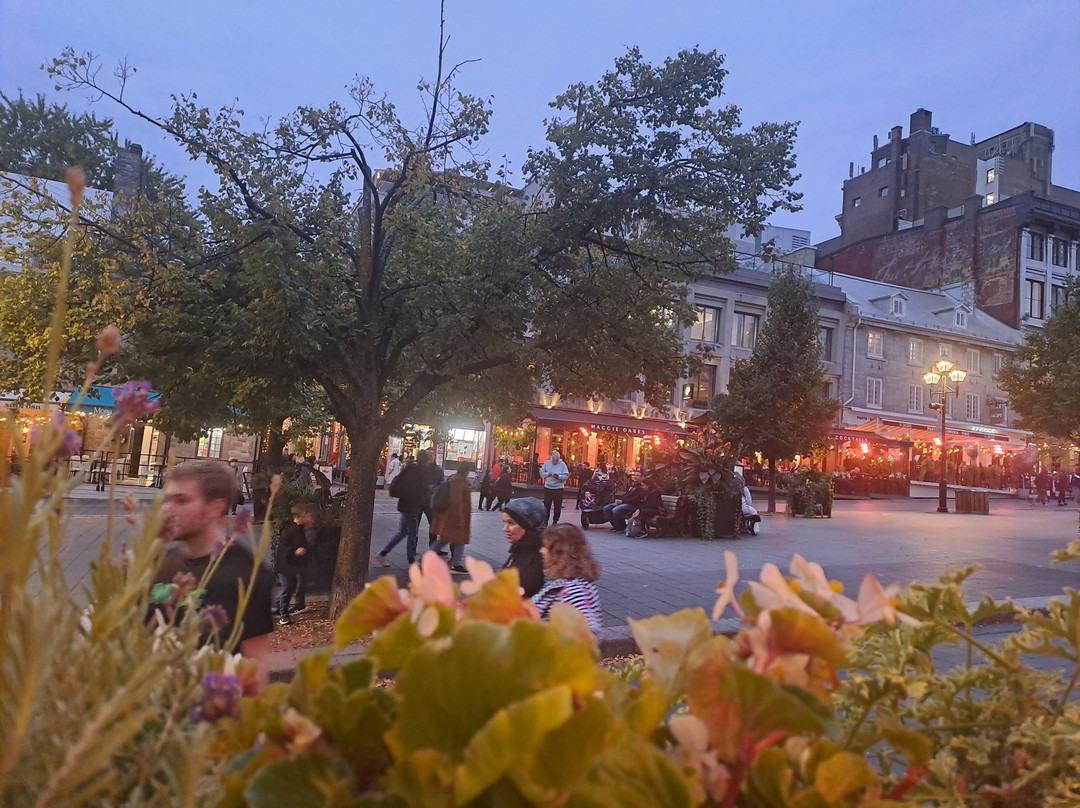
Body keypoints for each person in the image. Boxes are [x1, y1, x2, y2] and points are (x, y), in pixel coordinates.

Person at [160, 460, 274, 691]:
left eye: (181, 500)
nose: (167, 510)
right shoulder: (157, 565)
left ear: (214, 507)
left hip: (210, 709)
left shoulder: (246, 573)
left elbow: (255, 666)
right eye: (166, 500)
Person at [532, 523, 603, 634]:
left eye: (545, 547)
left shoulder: (574, 590)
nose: (541, 551)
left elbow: (588, 632)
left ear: (559, 554)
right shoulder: (564, 582)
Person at [375, 453, 426, 566]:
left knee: (403, 532)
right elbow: (416, 489)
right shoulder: (417, 470)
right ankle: (411, 561)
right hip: (411, 505)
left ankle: (382, 554)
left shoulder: (411, 467)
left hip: (404, 504)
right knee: (412, 534)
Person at [275, 503, 316, 625]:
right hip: (286, 565)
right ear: (302, 515)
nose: (310, 515)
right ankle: (283, 614)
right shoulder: (292, 530)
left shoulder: (300, 529)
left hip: (291, 565)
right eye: (307, 514)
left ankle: (281, 611)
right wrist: (295, 552)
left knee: (290, 587)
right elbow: (284, 548)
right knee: (288, 588)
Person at [431, 461, 473, 573]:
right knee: (446, 540)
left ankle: (457, 563)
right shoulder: (458, 482)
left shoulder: (454, 479)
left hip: (453, 516)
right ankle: (456, 564)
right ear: (466, 471)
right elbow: (456, 502)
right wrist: (460, 519)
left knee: (453, 540)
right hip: (454, 517)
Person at [500, 497, 546, 598]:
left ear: (527, 525)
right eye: (505, 522)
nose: (505, 529)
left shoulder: (537, 557)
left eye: (511, 523)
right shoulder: (520, 548)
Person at [421, 449, 445, 549]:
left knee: (434, 526)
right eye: (428, 454)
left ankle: (433, 548)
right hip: (419, 501)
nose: (431, 456)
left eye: (432, 454)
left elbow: (442, 484)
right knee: (414, 527)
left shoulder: (438, 470)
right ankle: (412, 550)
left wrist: (437, 489)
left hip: (431, 502)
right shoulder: (421, 468)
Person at [540, 450, 570, 525]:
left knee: (557, 506)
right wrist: (548, 474)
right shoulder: (547, 463)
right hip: (548, 487)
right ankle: (545, 520)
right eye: (554, 461)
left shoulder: (562, 464)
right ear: (551, 458)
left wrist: (558, 476)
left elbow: (566, 475)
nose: (555, 462)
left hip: (558, 488)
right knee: (546, 505)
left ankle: (555, 521)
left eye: (556, 461)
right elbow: (542, 473)